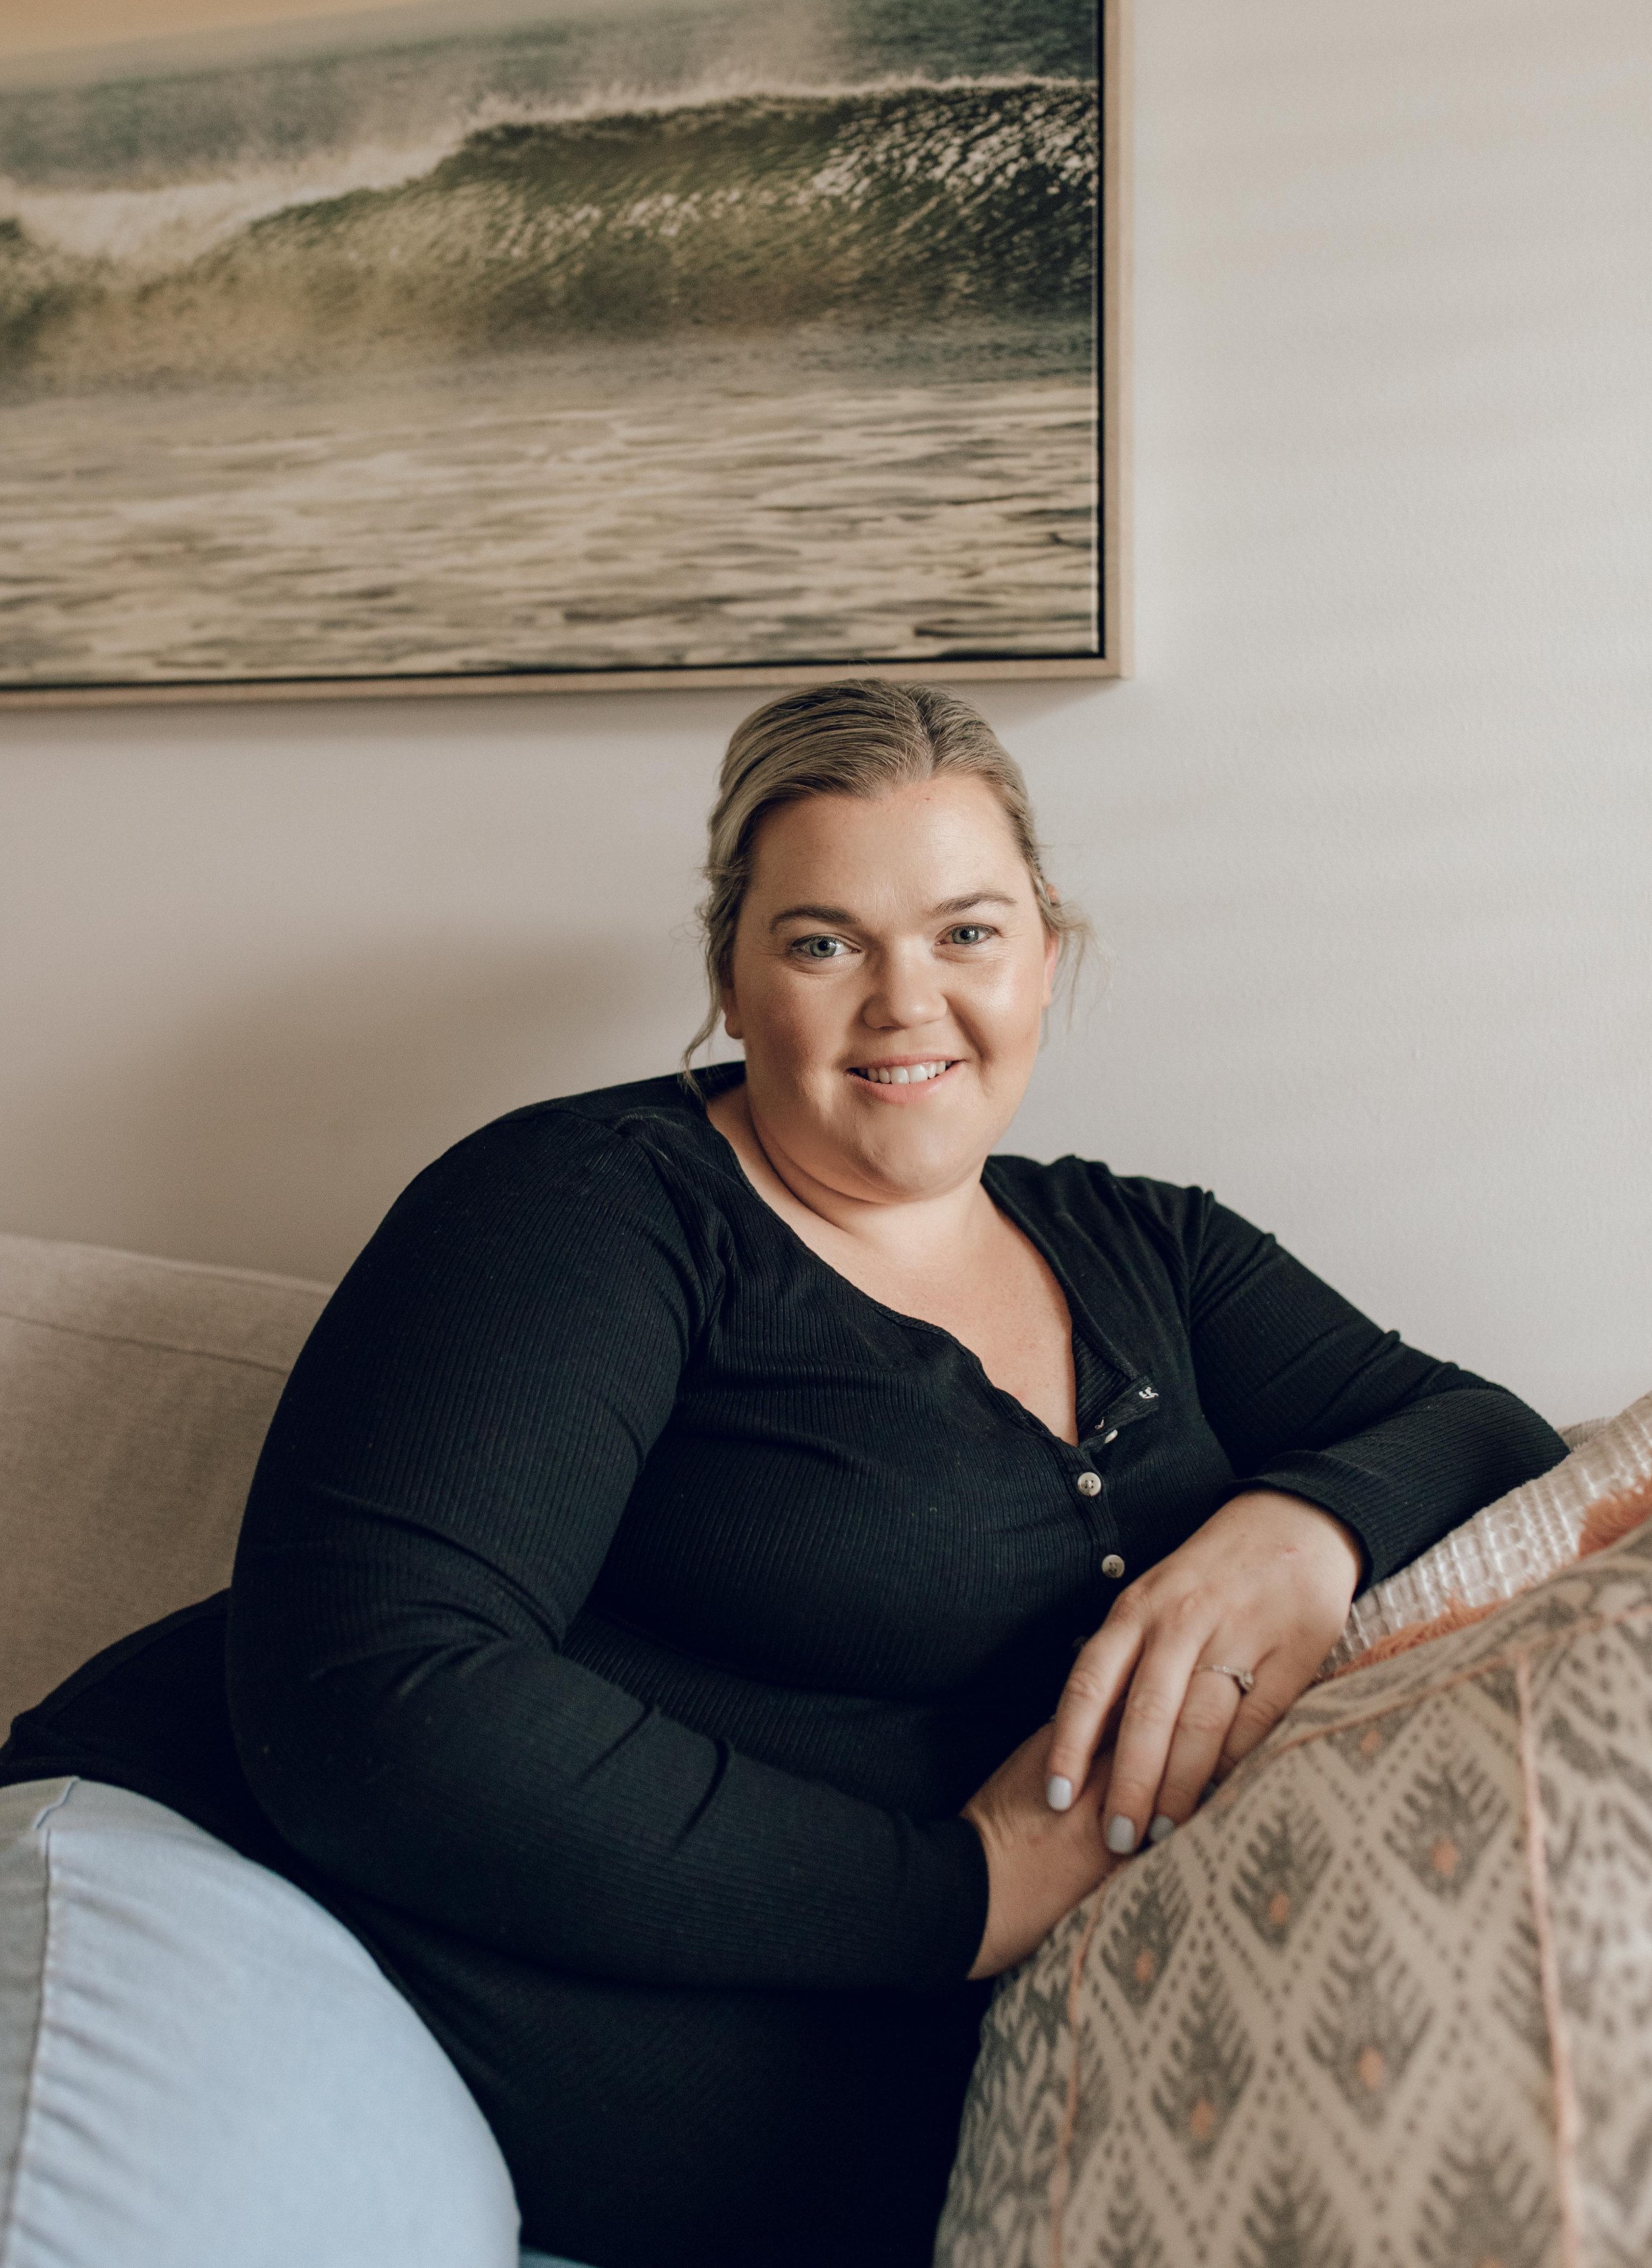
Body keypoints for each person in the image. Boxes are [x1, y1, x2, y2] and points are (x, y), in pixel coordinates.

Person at [1, 682, 1564, 2268]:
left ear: (1048, 954)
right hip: (242, 1915)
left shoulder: (1151, 1248)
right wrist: (957, 1895)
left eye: (967, 934)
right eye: (825, 942)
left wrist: (1294, 1532)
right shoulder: (594, 1209)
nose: (906, 1003)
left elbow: (1486, 1441)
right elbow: (376, 1696)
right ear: (733, 982)